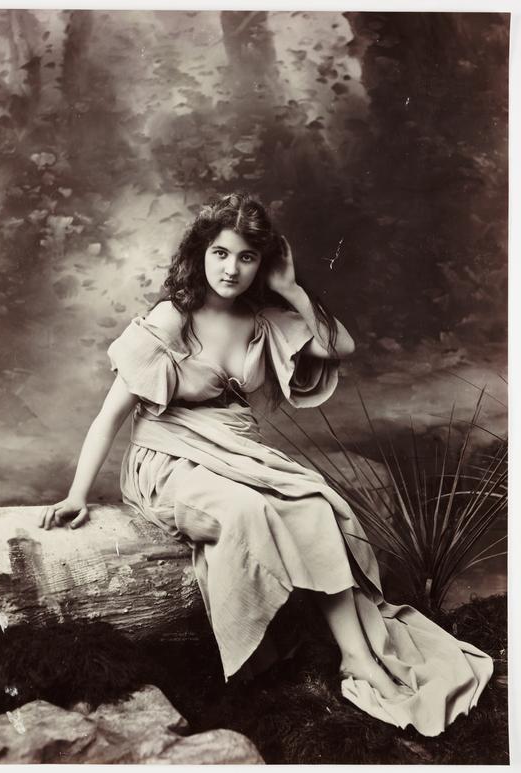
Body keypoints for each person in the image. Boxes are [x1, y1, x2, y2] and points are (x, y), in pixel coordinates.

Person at [39, 192, 492, 736]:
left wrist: (291, 290)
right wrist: (76, 494)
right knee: (249, 511)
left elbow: (338, 345)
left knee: (316, 504)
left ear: (263, 263)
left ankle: (357, 655)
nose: (231, 269)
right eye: (220, 254)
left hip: (237, 451)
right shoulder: (171, 317)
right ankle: (183, 530)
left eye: (247, 258)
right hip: (169, 458)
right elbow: (109, 418)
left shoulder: (263, 319)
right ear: (200, 254)